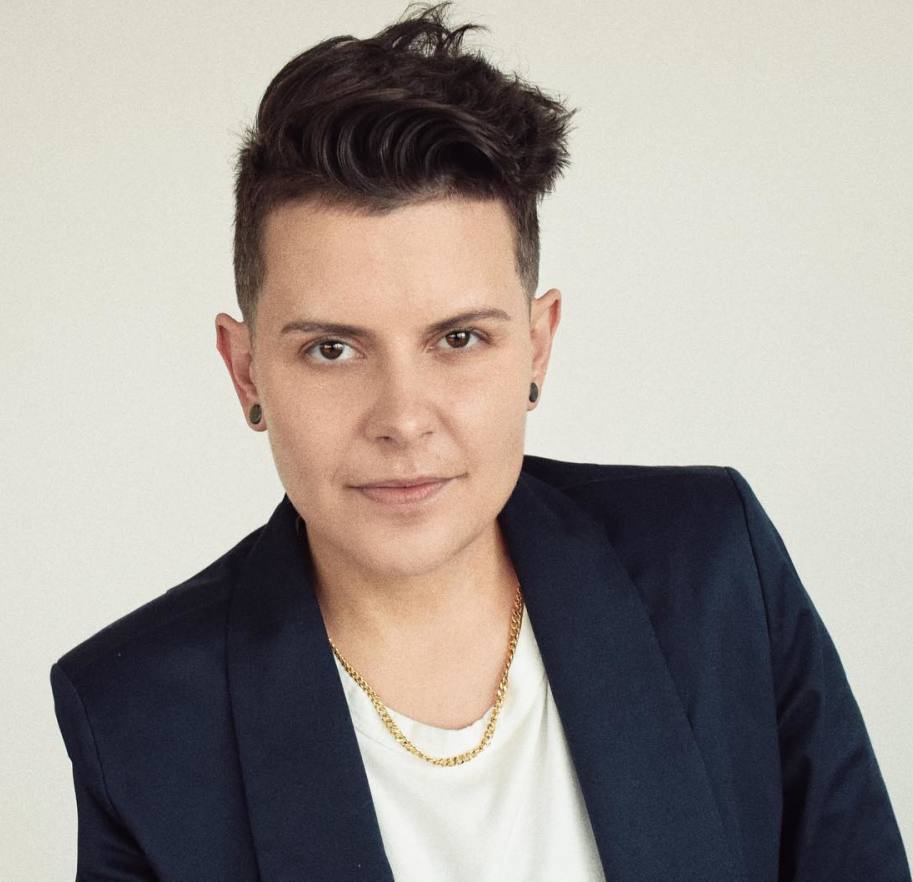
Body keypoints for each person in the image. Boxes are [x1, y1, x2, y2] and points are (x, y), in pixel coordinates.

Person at [50, 3, 910, 880]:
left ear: (536, 346)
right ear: (245, 373)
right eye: (332, 349)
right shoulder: (138, 713)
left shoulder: (712, 568)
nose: (403, 418)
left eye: (458, 338)